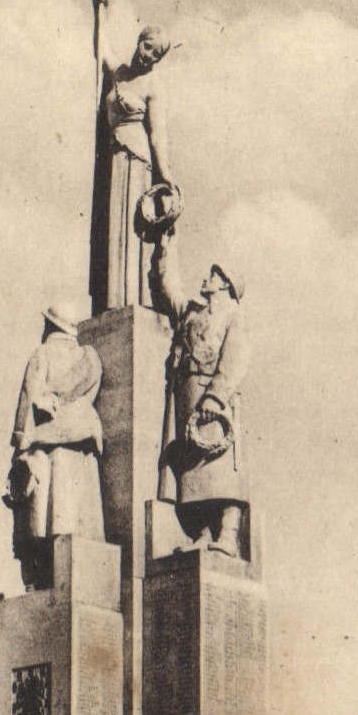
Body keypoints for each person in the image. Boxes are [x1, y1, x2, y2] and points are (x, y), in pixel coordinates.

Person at [151, 225, 249, 558]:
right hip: (187, 397)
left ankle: (229, 535)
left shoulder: (233, 316)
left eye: (213, 275)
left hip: (215, 401)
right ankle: (204, 532)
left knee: (222, 468)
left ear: (225, 284)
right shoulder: (192, 312)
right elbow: (169, 287)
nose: (207, 278)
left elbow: (235, 359)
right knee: (194, 468)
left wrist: (215, 396)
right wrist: (166, 245)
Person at [4, 304, 105, 589]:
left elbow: (29, 397)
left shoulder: (43, 353)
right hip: (81, 445)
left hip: (47, 444)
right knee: (74, 519)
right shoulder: (90, 359)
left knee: (42, 518)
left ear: (50, 326)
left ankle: (41, 579)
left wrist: (20, 444)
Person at [90, 0, 174, 311]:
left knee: (132, 227)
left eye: (156, 54)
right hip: (115, 158)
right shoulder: (121, 74)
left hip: (137, 160)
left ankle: (133, 299)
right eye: (147, 46)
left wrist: (166, 177)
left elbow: (157, 134)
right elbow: (101, 49)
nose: (148, 55)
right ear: (140, 41)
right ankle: (115, 300)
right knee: (114, 226)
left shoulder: (153, 85)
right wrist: (100, 9)